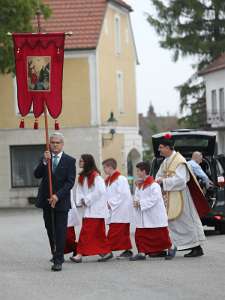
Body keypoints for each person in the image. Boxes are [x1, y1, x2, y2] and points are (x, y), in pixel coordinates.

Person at [155, 133, 209, 258]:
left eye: (161, 147)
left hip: (182, 196)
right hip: (171, 195)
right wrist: (159, 180)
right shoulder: (166, 161)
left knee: (186, 221)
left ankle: (196, 247)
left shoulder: (179, 161)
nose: (159, 149)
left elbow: (181, 180)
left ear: (168, 148)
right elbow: (158, 175)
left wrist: (163, 181)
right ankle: (178, 245)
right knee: (174, 222)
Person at [34, 132, 76, 271]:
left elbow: (70, 182)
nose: (55, 145)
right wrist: (44, 162)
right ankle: (55, 252)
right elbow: (37, 175)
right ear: (49, 144)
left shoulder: (70, 161)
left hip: (61, 201)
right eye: (53, 142)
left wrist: (57, 196)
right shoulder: (45, 158)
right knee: (50, 229)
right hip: (46, 200)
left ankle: (59, 259)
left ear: (62, 144)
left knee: (60, 230)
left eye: (58, 142)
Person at [70, 154, 112, 263]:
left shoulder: (96, 176)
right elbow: (79, 190)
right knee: (98, 234)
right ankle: (105, 252)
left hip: (96, 210)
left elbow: (100, 191)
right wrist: (80, 200)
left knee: (86, 232)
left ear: (87, 162)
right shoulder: (82, 176)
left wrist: (87, 199)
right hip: (89, 209)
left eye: (82, 161)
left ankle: (79, 254)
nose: (80, 162)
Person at [130, 161, 172, 261]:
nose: (137, 173)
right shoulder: (140, 185)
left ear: (144, 171)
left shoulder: (154, 185)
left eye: (138, 171)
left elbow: (155, 198)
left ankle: (170, 249)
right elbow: (137, 196)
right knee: (140, 234)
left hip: (154, 215)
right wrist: (136, 201)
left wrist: (140, 203)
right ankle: (141, 252)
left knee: (161, 236)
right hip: (143, 215)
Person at [102, 158, 133, 259]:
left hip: (121, 209)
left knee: (114, 232)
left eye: (105, 168)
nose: (104, 170)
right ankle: (127, 251)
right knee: (122, 233)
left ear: (110, 167)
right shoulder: (109, 180)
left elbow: (122, 194)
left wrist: (110, 203)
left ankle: (107, 250)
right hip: (114, 209)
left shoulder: (121, 179)